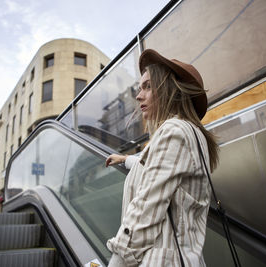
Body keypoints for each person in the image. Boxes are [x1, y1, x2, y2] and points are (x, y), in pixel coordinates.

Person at [105, 49, 219, 267]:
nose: (138, 95)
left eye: (147, 86)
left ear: (169, 89)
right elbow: (153, 170)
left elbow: (146, 208)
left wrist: (117, 262)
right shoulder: (187, 133)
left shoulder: (174, 131)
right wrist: (125, 159)